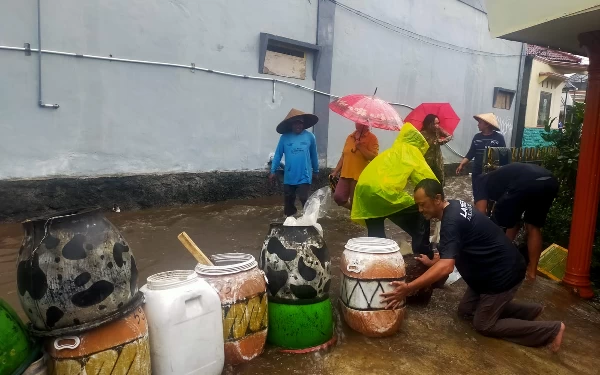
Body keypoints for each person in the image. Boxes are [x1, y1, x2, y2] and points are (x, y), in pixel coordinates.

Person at [381, 179, 565, 352]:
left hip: (501, 275)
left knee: (484, 324)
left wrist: (409, 287)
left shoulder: (451, 222)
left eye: (423, 204)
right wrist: (433, 262)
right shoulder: (453, 206)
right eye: (418, 205)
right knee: (466, 312)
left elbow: (447, 267)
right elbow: (453, 249)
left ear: (437, 199)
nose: (420, 209)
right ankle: (530, 311)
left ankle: (551, 330)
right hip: (487, 272)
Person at [351, 123, 438, 257]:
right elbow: (426, 180)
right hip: (384, 191)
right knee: (422, 211)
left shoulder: (391, 151)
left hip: (363, 189)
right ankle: (423, 254)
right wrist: (439, 198)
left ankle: (379, 262)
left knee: (376, 233)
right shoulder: (412, 151)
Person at [476, 163, 559, 281]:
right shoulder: (501, 177)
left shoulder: (479, 181)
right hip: (550, 181)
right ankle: (532, 273)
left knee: (499, 224)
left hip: (526, 182)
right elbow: (513, 218)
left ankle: (498, 262)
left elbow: (480, 217)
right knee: (533, 226)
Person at [269, 109, 319, 217]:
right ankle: (290, 220)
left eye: (300, 123)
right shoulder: (284, 138)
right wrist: (273, 171)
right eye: (296, 123)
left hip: (304, 175)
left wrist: (316, 171)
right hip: (289, 175)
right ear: (291, 124)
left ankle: (308, 220)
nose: (298, 125)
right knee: (288, 200)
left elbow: (314, 155)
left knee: (303, 198)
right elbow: (278, 155)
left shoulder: (310, 137)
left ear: (303, 124)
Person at [455, 113, 506, 212]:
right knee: (478, 196)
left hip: (492, 173)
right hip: (477, 172)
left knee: (491, 195)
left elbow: (503, 155)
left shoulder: (498, 138)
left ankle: (489, 214)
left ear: (486, 124)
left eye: (480, 122)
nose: (478, 124)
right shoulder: (477, 137)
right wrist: (462, 164)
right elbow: (471, 153)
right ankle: (479, 216)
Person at [331, 123, 379, 209]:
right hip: (345, 173)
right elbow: (343, 156)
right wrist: (335, 171)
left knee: (355, 200)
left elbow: (373, 157)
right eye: (357, 121)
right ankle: (355, 212)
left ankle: (356, 219)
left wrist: (360, 147)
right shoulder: (350, 137)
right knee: (338, 197)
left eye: (361, 122)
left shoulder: (372, 138)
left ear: (367, 124)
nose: (357, 123)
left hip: (359, 175)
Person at [420, 114, 453, 186]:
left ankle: (440, 196)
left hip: (438, 160)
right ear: (428, 124)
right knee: (427, 182)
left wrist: (442, 140)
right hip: (427, 162)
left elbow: (450, 136)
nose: (437, 125)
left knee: (439, 180)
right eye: (435, 123)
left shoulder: (438, 130)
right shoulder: (422, 134)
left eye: (438, 123)